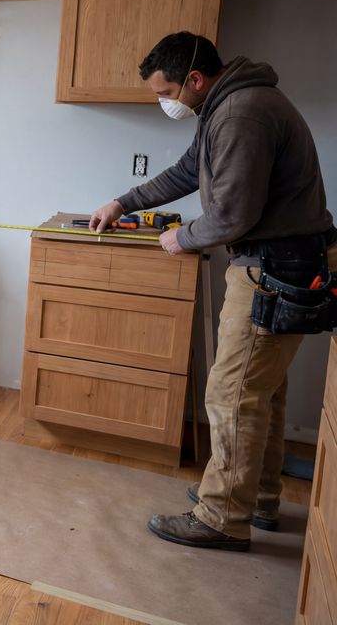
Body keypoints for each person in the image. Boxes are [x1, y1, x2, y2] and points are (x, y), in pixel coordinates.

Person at [89, 31, 337, 552]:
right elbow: (187, 171)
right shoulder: (228, 105)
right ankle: (258, 499)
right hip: (282, 264)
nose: (165, 102)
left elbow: (233, 215)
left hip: (272, 268)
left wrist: (183, 238)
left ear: (194, 80)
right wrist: (123, 201)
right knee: (260, 392)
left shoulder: (240, 114)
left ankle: (222, 516)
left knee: (232, 393)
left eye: (166, 92)